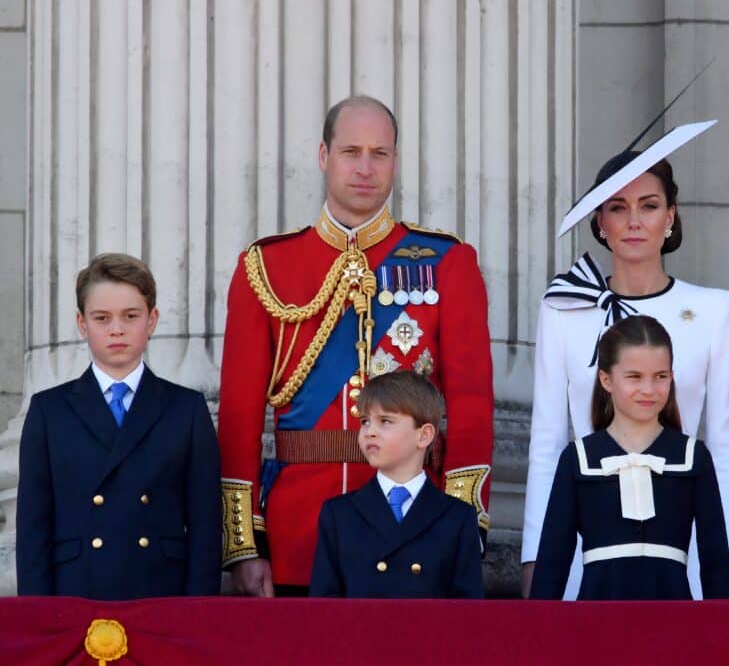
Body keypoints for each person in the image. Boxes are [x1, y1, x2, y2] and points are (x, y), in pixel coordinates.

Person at [218, 95, 493, 596]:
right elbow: (238, 417)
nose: (366, 168)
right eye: (351, 152)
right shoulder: (266, 267)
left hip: (418, 535)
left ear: (395, 160)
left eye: (379, 153)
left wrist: (463, 525)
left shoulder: (447, 262)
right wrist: (244, 544)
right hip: (299, 534)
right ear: (324, 156)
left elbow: (472, 407)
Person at [522, 147, 729, 599]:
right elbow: (547, 442)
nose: (634, 222)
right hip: (588, 548)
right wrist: (535, 556)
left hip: (682, 548)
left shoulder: (713, 309)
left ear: (670, 216)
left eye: (649, 206)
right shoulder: (564, 308)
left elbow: (725, 447)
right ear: (599, 222)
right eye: (618, 208)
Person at [16, 253, 221, 600]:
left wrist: (197, 612)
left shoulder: (186, 409)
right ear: (82, 323)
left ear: (152, 320)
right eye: (102, 317)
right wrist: (38, 617)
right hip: (76, 593)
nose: (116, 329)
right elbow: (33, 529)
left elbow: (205, 526)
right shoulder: (49, 411)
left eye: (130, 316)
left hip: (161, 592)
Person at [529, 316, 729, 600]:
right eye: (634, 377)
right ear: (606, 380)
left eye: (660, 376)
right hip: (598, 618)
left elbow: (716, 563)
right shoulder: (578, 458)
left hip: (673, 619)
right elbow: (552, 563)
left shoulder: (693, 456)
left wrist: (724, 625)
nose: (649, 389)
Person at [309, 371, 483, 598]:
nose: (370, 432)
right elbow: (324, 606)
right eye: (365, 421)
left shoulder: (458, 517)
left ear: (424, 435)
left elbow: (467, 609)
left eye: (385, 421)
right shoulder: (339, 514)